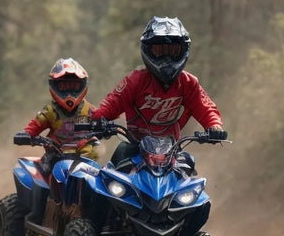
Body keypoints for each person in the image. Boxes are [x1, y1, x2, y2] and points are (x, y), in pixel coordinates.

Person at [91, 16, 226, 171]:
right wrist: (97, 120)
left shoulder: (188, 82)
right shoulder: (135, 80)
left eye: (172, 51)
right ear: (148, 50)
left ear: (183, 51)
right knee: (110, 172)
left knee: (190, 170)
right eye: (160, 51)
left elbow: (205, 108)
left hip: (171, 152)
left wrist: (214, 126)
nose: (167, 58)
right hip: (135, 147)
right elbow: (112, 103)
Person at [23, 57, 99, 165]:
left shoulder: (89, 110)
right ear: (55, 86)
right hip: (56, 153)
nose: (69, 91)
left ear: (82, 84)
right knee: (41, 169)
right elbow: (36, 124)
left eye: (73, 85)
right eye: (64, 86)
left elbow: (103, 118)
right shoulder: (51, 111)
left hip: (83, 156)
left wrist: (111, 126)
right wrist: (27, 134)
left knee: (92, 154)